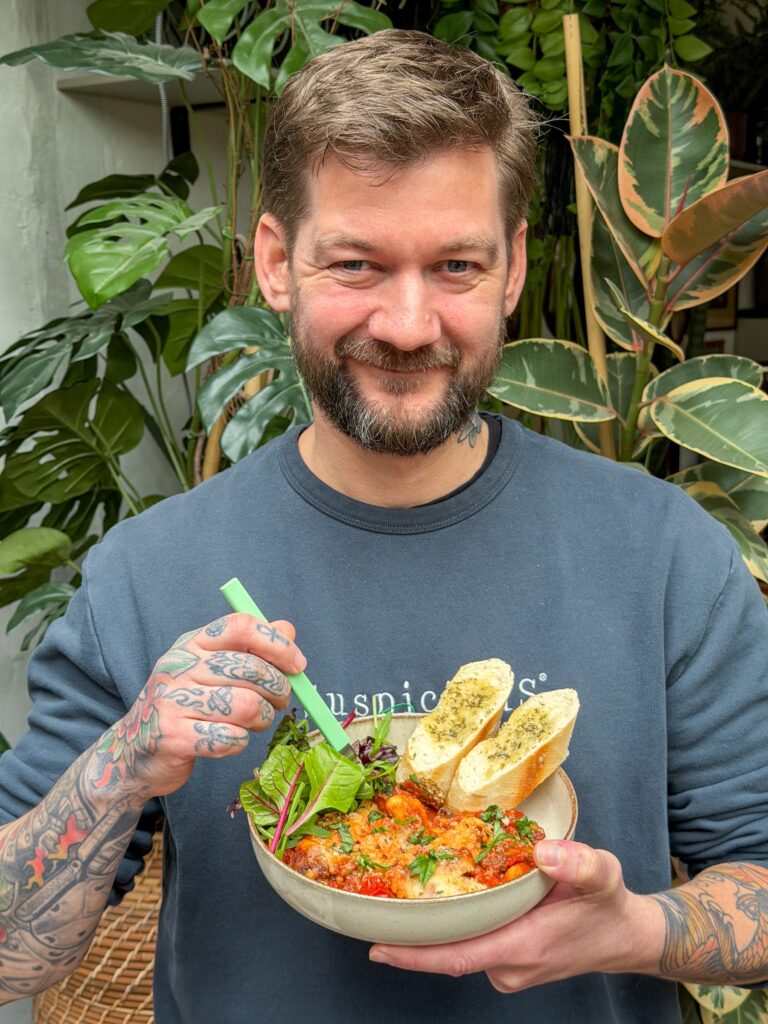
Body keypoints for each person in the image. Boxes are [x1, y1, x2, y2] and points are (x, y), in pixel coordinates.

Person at [1, 27, 767, 1024]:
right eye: (358, 263)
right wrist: (118, 766)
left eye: (455, 265)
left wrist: (641, 930)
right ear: (277, 263)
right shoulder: (148, 573)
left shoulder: (664, 555)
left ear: (510, 269)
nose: (408, 324)